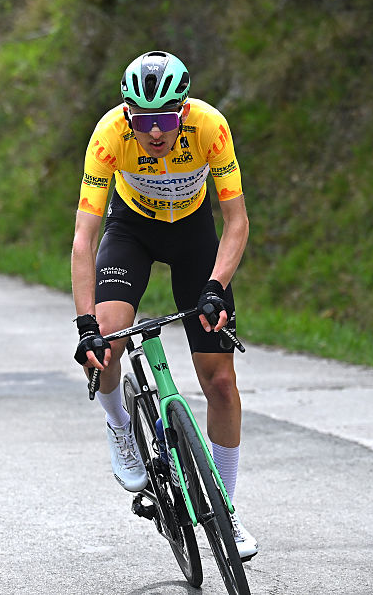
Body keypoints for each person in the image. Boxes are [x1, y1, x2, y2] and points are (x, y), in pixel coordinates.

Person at [70, 50, 257, 559]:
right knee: (107, 340)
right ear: (129, 113)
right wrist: (85, 322)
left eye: (166, 119)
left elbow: (236, 222)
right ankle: (120, 426)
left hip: (194, 236)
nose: (156, 132)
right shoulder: (110, 135)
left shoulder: (210, 128)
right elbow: (84, 238)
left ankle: (226, 513)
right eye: (144, 120)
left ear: (184, 108)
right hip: (131, 231)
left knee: (220, 381)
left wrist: (216, 284)